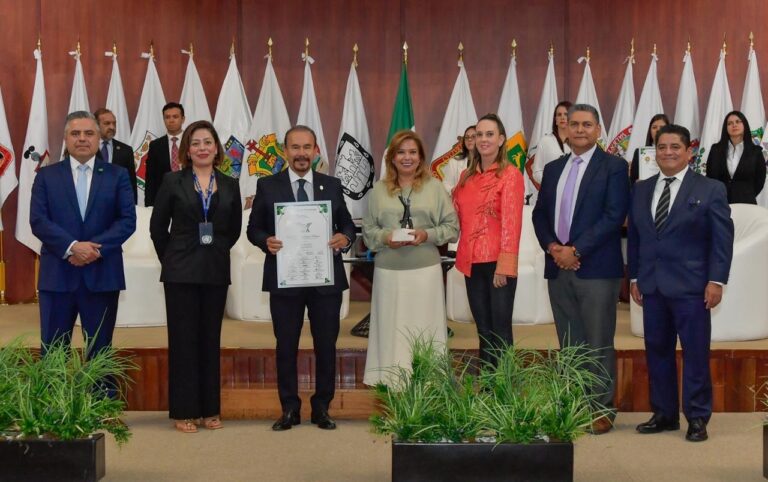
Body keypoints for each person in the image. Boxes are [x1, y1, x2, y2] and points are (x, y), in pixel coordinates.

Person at [629, 124, 733, 442]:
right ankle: (664, 414)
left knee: (695, 354)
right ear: (654, 151)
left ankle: (698, 417)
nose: (668, 152)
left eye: (675, 146)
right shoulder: (641, 189)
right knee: (656, 351)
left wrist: (716, 281)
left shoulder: (710, 189)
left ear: (689, 151)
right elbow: (635, 238)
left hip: (693, 288)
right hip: (653, 287)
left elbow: (721, 240)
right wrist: (634, 276)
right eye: (662, 146)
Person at [247, 125, 356, 431]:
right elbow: (253, 228)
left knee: (326, 345)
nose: (301, 154)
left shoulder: (331, 185)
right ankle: (289, 409)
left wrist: (343, 238)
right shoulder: (268, 186)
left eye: (307, 147)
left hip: (325, 282)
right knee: (286, 345)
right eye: (295, 147)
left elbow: (348, 225)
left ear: (315, 150)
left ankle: (321, 408)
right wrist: (264, 240)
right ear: (285, 151)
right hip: (286, 280)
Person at [531, 104, 629, 434]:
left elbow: (613, 216)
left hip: (596, 269)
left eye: (587, 124)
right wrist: (553, 248)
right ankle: (575, 404)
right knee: (569, 341)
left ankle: (601, 409)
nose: (580, 130)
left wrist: (576, 250)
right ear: (565, 129)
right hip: (559, 267)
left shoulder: (614, 167)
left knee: (598, 340)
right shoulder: (555, 168)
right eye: (574, 124)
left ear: (598, 130)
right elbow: (539, 214)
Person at [149, 120, 242, 434]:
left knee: (209, 340)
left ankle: (209, 409)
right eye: (196, 143)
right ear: (187, 150)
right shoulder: (172, 181)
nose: (202, 147)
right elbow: (157, 229)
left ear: (216, 148)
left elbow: (233, 230)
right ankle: (184, 410)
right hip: (180, 273)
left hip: (214, 271)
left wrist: (213, 251)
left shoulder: (230, 184)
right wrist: (174, 259)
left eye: (208, 142)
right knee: (183, 342)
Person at [30, 111, 136, 359]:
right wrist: (72, 247)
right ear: (65, 139)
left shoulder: (117, 175)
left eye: (89, 133)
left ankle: (102, 400)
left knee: (100, 354)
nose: (82, 139)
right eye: (75, 133)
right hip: (57, 276)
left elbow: (127, 221)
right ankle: (54, 400)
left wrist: (91, 250)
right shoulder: (46, 176)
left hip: (102, 276)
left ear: (99, 138)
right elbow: (38, 221)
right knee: (53, 354)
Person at [362, 131, 458, 386]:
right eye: (401, 152)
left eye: (412, 152)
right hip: (388, 273)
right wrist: (386, 238)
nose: (407, 157)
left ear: (421, 158)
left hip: (425, 272)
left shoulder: (435, 188)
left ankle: (429, 382)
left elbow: (452, 227)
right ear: (392, 158)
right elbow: (368, 232)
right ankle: (391, 382)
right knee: (392, 329)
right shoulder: (378, 191)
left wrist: (427, 234)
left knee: (425, 330)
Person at [452, 113, 524, 368]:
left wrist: (504, 267)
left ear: (501, 139)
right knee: (483, 330)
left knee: (501, 331)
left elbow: (512, 224)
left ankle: (505, 392)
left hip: (497, 264)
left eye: (489, 134)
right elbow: (455, 217)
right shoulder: (465, 178)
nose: (483, 139)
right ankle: (488, 390)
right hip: (471, 262)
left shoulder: (510, 174)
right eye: (479, 134)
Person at [705, 110, 766, 204]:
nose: (734, 125)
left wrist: (746, 194)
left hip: (746, 202)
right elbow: (710, 176)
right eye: (730, 123)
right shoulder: (716, 150)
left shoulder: (756, 151)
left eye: (738, 122)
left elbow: (760, 180)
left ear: (744, 125)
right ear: (726, 128)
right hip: (719, 201)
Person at [145, 102, 185, 206]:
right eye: (167, 117)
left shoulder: (192, 142)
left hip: (190, 198)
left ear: (183, 119)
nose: (171, 120)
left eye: (175, 116)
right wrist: (149, 205)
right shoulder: (155, 145)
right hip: (164, 200)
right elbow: (150, 179)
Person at [94, 108, 138, 203]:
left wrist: (133, 206)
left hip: (118, 204)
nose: (112, 127)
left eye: (114, 123)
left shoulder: (126, 150)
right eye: (107, 123)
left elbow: (131, 184)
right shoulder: (87, 148)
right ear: (96, 125)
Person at [531, 101, 572, 189]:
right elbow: (536, 172)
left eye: (566, 114)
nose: (562, 117)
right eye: (559, 115)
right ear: (555, 120)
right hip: (551, 192)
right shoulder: (545, 141)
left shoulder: (579, 143)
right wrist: (553, 182)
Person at [630, 114, 670, 183]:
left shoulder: (674, 153)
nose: (658, 130)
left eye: (662, 127)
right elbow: (632, 182)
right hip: (645, 191)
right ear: (650, 131)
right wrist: (637, 184)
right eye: (654, 127)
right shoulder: (639, 153)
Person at [441, 125, 475, 194]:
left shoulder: (486, 162)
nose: (469, 139)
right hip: (459, 201)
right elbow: (445, 185)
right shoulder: (454, 162)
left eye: (473, 137)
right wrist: (455, 191)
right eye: (467, 137)